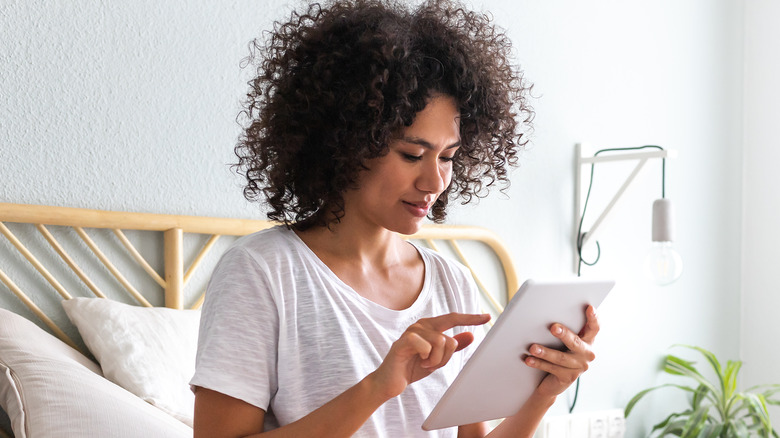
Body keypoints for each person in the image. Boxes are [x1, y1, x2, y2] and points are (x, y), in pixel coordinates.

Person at [190, 0, 599, 437]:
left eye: (448, 157)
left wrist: (544, 393)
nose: (435, 181)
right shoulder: (262, 272)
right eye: (412, 154)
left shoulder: (452, 283)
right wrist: (378, 387)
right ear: (346, 142)